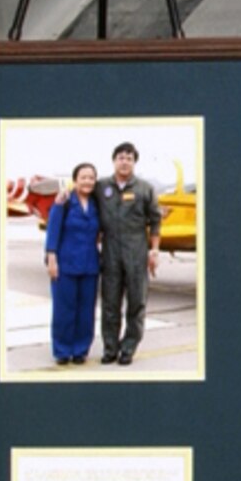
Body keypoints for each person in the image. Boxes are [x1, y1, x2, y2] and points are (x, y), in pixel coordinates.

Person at [97, 141, 163, 365]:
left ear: (134, 162)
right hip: (110, 251)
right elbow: (83, 202)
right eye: (120, 158)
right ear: (114, 161)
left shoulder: (145, 188)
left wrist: (154, 250)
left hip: (136, 251)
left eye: (129, 158)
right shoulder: (101, 186)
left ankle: (128, 347)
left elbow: (155, 220)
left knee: (136, 303)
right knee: (110, 303)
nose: (124, 162)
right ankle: (110, 348)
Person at [42, 162, 102, 366]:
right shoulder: (64, 202)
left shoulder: (97, 204)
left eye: (91, 178)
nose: (87, 181)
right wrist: (51, 258)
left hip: (90, 266)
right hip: (65, 264)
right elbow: (53, 231)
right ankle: (62, 350)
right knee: (63, 310)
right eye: (83, 177)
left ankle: (80, 350)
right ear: (75, 180)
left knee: (86, 311)